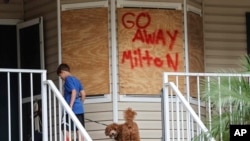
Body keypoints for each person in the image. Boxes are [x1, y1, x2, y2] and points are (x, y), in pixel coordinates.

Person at [57, 63, 86, 141]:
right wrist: (80, 104)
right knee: (79, 129)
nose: (61, 78)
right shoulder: (77, 80)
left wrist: (70, 106)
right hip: (79, 109)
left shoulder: (68, 80)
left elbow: (73, 91)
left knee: (64, 127)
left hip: (71, 109)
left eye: (60, 76)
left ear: (63, 72)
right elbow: (83, 94)